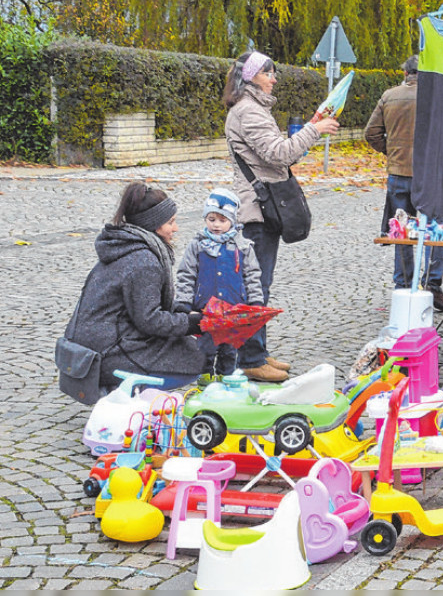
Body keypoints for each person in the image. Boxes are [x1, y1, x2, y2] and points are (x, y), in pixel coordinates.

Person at [224, 50, 340, 381]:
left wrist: (304, 138)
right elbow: (279, 153)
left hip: (262, 207)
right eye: (268, 73)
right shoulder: (249, 112)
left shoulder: (253, 108)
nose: (274, 78)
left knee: (260, 283)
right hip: (257, 210)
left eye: (274, 72)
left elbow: (278, 157)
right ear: (251, 78)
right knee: (256, 286)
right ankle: (250, 360)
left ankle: (256, 353)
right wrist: (314, 129)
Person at [65, 183, 206, 395]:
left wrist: (185, 313)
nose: (175, 228)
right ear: (153, 224)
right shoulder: (144, 261)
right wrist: (193, 324)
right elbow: (150, 320)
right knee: (197, 357)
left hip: (97, 342)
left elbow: (144, 304)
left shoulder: (124, 245)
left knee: (185, 345)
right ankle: (125, 391)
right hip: (107, 351)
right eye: (171, 222)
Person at [364, 55, 443, 312]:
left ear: (405, 73)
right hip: (430, 174)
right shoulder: (436, 98)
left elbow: (371, 133)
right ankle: (432, 285)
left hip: (399, 172)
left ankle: (403, 285)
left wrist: (392, 152)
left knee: (401, 231)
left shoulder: (389, 96)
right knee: (434, 229)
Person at [174, 189, 274, 380]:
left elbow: (252, 275)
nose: (216, 225)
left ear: (232, 221)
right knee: (204, 349)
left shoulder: (243, 246)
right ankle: (204, 381)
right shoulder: (197, 245)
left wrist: (255, 302)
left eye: (222, 220)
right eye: (211, 219)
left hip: (232, 310)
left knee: (229, 350)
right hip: (206, 310)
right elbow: (186, 274)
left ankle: (225, 380)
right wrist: (183, 303)